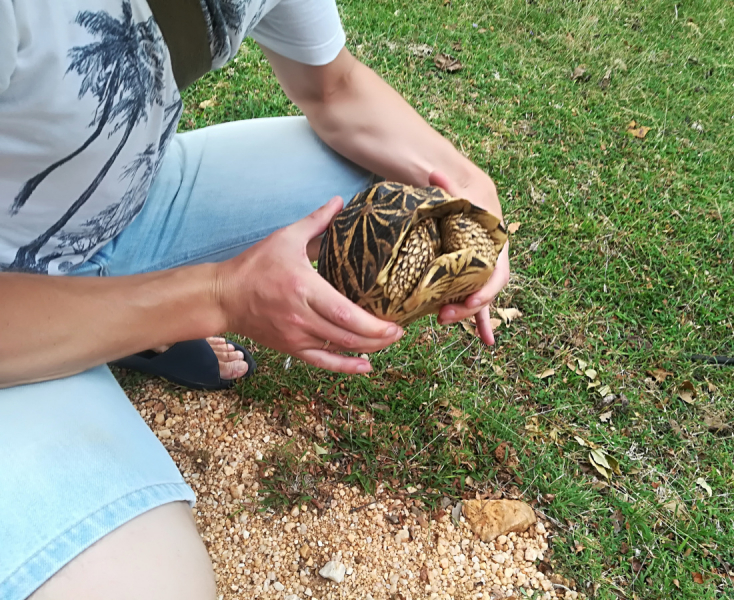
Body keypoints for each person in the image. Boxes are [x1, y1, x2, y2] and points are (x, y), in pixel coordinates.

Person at [0, 0, 509, 598]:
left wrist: (469, 194)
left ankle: (129, 323)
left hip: (124, 207)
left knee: (399, 192)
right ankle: (136, 321)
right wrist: (217, 296)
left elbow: (334, 88)